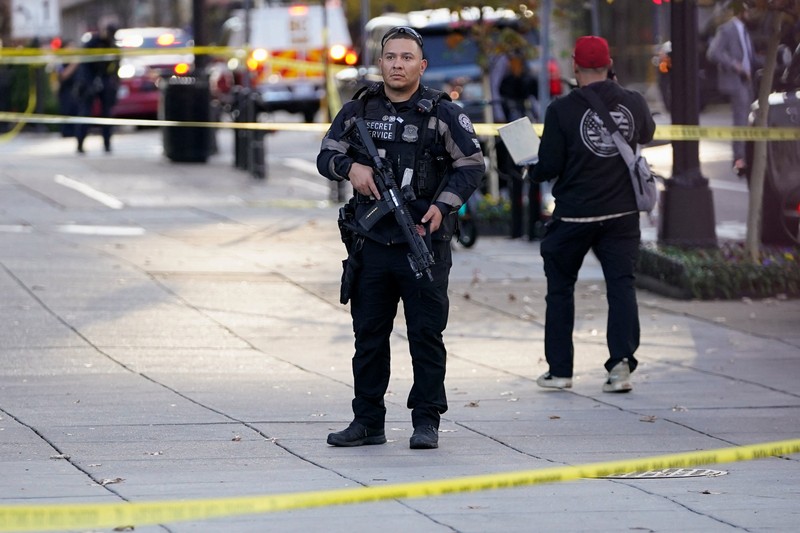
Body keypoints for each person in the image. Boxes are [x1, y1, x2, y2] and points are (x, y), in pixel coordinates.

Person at [317, 26, 485, 449]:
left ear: (421, 65)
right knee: (368, 336)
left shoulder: (441, 113)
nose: (397, 64)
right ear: (381, 63)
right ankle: (368, 420)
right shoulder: (358, 110)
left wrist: (442, 205)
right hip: (371, 245)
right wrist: (350, 169)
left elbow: (471, 164)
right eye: (391, 57)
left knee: (425, 335)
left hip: (423, 242)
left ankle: (426, 420)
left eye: (407, 58)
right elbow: (327, 153)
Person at [530, 36, 655, 394]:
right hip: (622, 214)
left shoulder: (561, 109)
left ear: (575, 66)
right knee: (621, 286)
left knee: (560, 289)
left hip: (574, 217)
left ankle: (560, 371)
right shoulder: (633, 102)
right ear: (610, 62)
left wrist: (529, 170)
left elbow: (550, 164)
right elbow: (646, 132)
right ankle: (620, 367)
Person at [706, 0, 760, 176]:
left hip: (747, 81)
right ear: (741, 10)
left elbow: (750, 57)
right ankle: (739, 159)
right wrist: (735, 65)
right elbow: (713, 52)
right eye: (748, 8)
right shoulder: (727, 29)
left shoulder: (744, 30)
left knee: (747, 120)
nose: (751, 12)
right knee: (740, 121)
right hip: (736, 81)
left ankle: (745, 156)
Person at [74, 23, 120, 154]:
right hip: (89, 80)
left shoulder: (112, 45)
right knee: (85, 113)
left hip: (105, 80)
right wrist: (87, 84)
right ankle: (80, 144)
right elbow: (84, 65)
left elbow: (116, 65)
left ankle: (107, 144)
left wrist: (114, 83)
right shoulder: (93, 42)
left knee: (107, 114)